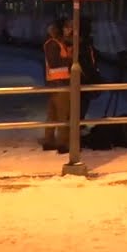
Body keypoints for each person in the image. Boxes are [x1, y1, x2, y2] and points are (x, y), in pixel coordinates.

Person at [41, 18, 72, 152]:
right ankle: (63, 144)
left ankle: (49, 141)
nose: (68, 30)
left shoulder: (58, 43)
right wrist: (71, 60)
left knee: (53, 114)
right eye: (66, 27)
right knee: (63, 115)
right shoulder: (53, 44)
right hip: (60, 84)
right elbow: (55, 63)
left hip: (55, 83)